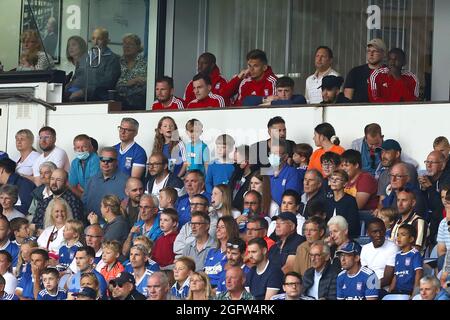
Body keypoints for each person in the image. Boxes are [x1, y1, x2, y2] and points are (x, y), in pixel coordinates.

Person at [66, 27, 121, 102]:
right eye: (93, 38)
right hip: (79, 92)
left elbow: (108, 82)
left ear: (107, 41)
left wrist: (85, 91)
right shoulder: (85, 57)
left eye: (99, 39)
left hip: (99, 97)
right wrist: (67, 88)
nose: (95, 42)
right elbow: (77, 77)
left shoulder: (113, 59)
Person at [83, 147, 128, 219]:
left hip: (113, 226)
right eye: (102, 160)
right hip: (90, 225)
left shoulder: (126, 182)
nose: (105, 163)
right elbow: (84, 204)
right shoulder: (92, 180)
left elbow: (126, 209)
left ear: (117, 162)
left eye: (110, 160)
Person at [420, 151, 450, 244]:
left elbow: (443, 205)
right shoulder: (426, 178)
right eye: (427, 162)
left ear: (442, 165)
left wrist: (430, 188)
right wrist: (423, 190)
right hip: (428, 223)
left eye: (432, 163)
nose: (428, 166)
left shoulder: (447, 179)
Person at [344, 38, 387, 102]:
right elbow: (347, 99)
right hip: (358, 110)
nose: (371, 54)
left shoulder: (388, 72)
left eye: (375, 51)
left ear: (384, 54)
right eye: (369, 51)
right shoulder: (355, 72)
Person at [360, 218, 398, 291]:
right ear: (368, 233)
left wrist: (369, 288)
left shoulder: (393, 247)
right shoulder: (365, 248)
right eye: (375, 232)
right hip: (368, 288)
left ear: (385, 230)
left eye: (381, 231)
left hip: (383, 290)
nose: (379, 234)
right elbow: (364, 274)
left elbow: (387, 279)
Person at [204, 216, 240, 288]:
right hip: (205, 288)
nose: (218, 230)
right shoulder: (211, 252)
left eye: (222, 227)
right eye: (217, 227)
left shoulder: (233, 254)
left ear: (230, 229)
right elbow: (204, 274)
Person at [389, 224, 423, 296]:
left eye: (403, 235)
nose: (399, 238)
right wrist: (389, 292)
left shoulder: (415, 254)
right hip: (397, 291)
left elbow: (418, 273)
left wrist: (415, 293)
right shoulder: (398, 255)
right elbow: (396, 275)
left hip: (408, 291)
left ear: (411, 239)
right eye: (398, 235)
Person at [116, 34, 147, 110]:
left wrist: (124, 85)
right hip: (118, 103)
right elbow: (114, 85)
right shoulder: (117, 62)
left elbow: (147, 84)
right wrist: (129, 82)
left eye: (130, 44)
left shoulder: (145, 63)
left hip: (139, 104)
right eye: (124, 44)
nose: (126, 46)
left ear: (138, 47)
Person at [326, 170, 360, 238]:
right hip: (328, 236)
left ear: (345, 184)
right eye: (332, 179)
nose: (334, 181)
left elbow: (352, 226)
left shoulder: (350, 201)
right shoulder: (327, 200)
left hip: (345, 237)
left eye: (337, 179)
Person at [267, 142, 302, 206]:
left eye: (276, 154)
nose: (272, 156)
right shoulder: (267, 173)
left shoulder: (292, 173)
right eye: (271, 153)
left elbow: (291, 200)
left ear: (285, 157)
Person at [68, 134, 100, 199]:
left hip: (96, 197)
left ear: (91, 147)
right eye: (78, 148)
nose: (81, 150)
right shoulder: (75, 162)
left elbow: (93, 187)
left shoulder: (95, 160)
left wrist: (80, 189)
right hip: (81, 197)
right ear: (74, 149)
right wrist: (83, 195)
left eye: (84, 147)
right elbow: (72, 185)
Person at [228, 145, 257, 211]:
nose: (234, 164)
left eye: (236, 161)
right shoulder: (236, 175)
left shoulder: (253, 180)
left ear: (245, 163)